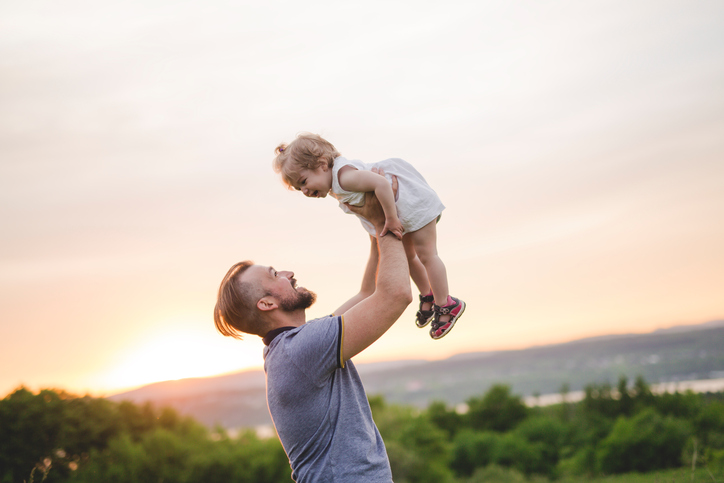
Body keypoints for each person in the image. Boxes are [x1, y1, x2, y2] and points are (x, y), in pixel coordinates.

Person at [214, 185, 412, 482]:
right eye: (275, 274)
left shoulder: (294, 348)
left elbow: (369, 292)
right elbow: (395, 294)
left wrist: (375, 225)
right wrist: (389, 224)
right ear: (267, 303)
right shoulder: (301, 350)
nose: (288, 273)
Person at [272, 133, 465, 339]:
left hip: (413, 204)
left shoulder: (345, 178)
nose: (304, 190)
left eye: (304, 181)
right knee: (408, 258)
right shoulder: (335, 184)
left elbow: (381, 184)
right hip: (400, 210)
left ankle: (446, 304)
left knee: (427, 255)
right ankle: (428, 293)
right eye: (298, 188)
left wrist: (390, 218)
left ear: (322, 165)